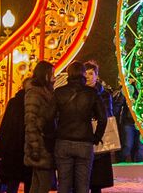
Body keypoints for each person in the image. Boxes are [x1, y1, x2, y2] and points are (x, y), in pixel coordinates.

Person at [53, 57, 106, 193]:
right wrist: (96, 136)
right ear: (83, 74)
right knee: (83, 184)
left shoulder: (59, 92)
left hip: (63, 140)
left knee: (64, 183)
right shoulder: (92, 93)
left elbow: (50, 117)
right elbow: (103, 118)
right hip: (84, 141)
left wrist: (54, 135)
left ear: (69, 74)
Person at [23, 61, 58, 193]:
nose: (54, 77)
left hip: (42, 142)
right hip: (41, 143)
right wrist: (35, 147)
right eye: (52, 74)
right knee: (44, 182)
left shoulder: (45, 91)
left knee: (37, 182)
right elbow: (30, 122)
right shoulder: (35, 93)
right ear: (45, 75)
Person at [0, 82, 32, 193]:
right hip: (28, 148)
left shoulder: (14, 102)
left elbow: (5, 126)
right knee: (29, 182)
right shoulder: (34, 102)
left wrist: (0, 148)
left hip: (13, 149)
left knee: (13, 181)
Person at [83, 63, 114, 193]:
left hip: (100, 136)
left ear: (97, 76)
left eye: (91, 73)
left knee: (97, 178)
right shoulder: (80, 92)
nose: (88, 77)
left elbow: (108, 115)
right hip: (84, 136)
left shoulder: (104, 95)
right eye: (86, 74)